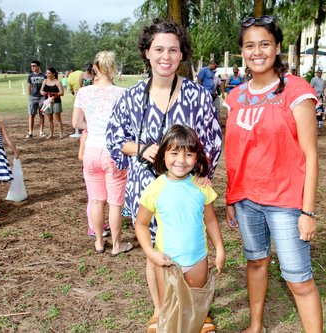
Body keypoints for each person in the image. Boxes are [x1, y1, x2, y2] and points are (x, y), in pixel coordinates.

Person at [106, 18, 222, 333]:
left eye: (173, 49)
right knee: (157, 251)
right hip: (147, 187)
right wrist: (140, 147)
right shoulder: (130, 98)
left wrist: (202, 175)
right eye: (158, 49)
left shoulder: (198, 95)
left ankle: (198, 309)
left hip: (187, 188)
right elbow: (115, 140)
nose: (165, 56)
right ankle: (161, 310)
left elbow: (212, 140)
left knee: (191, 244)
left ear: (182, 55)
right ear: (146, 52)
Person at [224, 15, 323, 333]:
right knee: (256, 263)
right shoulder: (235, 97)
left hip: (285, 203)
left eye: (265, 44)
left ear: (277, 47)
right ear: (242, 51)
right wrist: (230, 197)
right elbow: (235, 153)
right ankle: (256, 327)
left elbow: (310, 155)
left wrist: (307, 211)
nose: (257, 51)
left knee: (298, 279)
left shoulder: (296, 90)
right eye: (249, 45)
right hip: (246, 200)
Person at [135, 124, 225, 333]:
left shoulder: (201, 186)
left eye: (188, 154)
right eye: (174, 153)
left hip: (197, 261)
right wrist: (151, 253)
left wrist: (219, 251)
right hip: (168, 263)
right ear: (163, 155)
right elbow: (141, 224)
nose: (181, 161)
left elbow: (211, 221)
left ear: (196, 158)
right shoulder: (155, 189)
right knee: (171, 309)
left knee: (193, 306)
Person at [72, 51, 131, 256]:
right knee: (115, 202)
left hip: (91, 150)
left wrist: (95, 124)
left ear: (95, 68)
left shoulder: (83, 92)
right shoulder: (123, 93)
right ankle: (116, 244)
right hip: (113, 150)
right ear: (114, 68)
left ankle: (98, 242)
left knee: (96, 200)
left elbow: (77, 123)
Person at [40, 67, 64, 139]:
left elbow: (62, 92)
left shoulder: (57, 82)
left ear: (53, 73)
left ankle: (61, 134)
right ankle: (51, 134)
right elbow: (41, 90)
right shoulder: (45, 81)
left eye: (49, 73)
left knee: (58, 118)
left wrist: (54, 95)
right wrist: (43, 92)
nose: (47, 74)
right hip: (47, 102)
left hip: (56, 102)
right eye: (46, 73)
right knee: (49, 119)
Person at [26, 60, 46, 139]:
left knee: (42, 115)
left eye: (34, 66)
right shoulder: (30, 76)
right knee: (31, 115)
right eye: (31, 66)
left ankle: (41, 132)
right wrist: (29, 96)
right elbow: (28, 86)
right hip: (33, 97)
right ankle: (30, 132)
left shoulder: (44, 76)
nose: (32, 67)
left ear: (38, 66)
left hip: (42, 97)